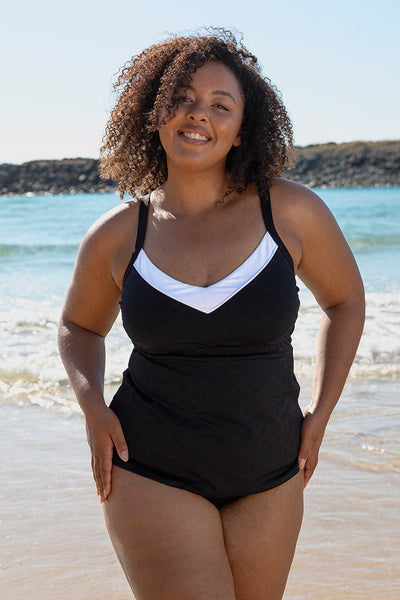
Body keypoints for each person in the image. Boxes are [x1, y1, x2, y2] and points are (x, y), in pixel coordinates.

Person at [58, 28, 365, 600]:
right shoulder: (120, 234)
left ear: (241, 129)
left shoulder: (290, 211)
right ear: (155, 112)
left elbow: (346, 302)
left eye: (220, 106)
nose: (198, 115)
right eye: (182, 98)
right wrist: (92, 406)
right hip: (151, 465)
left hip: (271, 469)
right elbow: (78, 326)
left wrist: (321, 413)